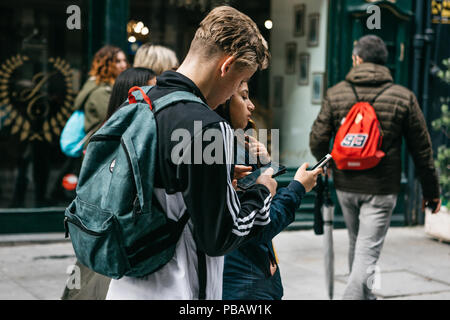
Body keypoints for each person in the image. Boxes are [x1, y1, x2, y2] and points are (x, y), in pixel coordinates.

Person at [105, 6, 275, 300]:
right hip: (178, 289)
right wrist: (261, 192)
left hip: (125, 284)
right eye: (239, 82)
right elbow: (220, 237)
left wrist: (217, 176)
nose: (233, 92)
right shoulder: (207, 126)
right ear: (227, 66)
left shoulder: (138, 102)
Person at [309, 35, 441, 300]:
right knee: (367, 250)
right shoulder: (403, 97)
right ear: (385, 63)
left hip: (346, 184)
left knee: (358, 245)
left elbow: (317, 139)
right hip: (382, 187)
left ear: (357, 59)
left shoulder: (336, 94)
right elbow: (422, 151)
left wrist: (330, 165)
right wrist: (431, 192)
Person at [216, 81, 322, 300]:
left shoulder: (229, 143)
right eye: (244, 96)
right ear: (223, 98)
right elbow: (261, 224)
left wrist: (265, 164)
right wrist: (298, 187)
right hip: (242, 281)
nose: (252, 105)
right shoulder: (226, 149)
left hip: (242, 275)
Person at [61, 67, 156, 300]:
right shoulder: (123, 140)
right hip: (110, 243)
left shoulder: (111, 134)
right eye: (152, 90)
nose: (156, 96)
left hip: (96, 242)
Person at [50, 46, 128, 204]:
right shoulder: (101, 92)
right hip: (98, 149)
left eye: (124, 60)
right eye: (118, 61)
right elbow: (114, 119)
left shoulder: (104, 87)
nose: (124, 65)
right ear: (106, 64)